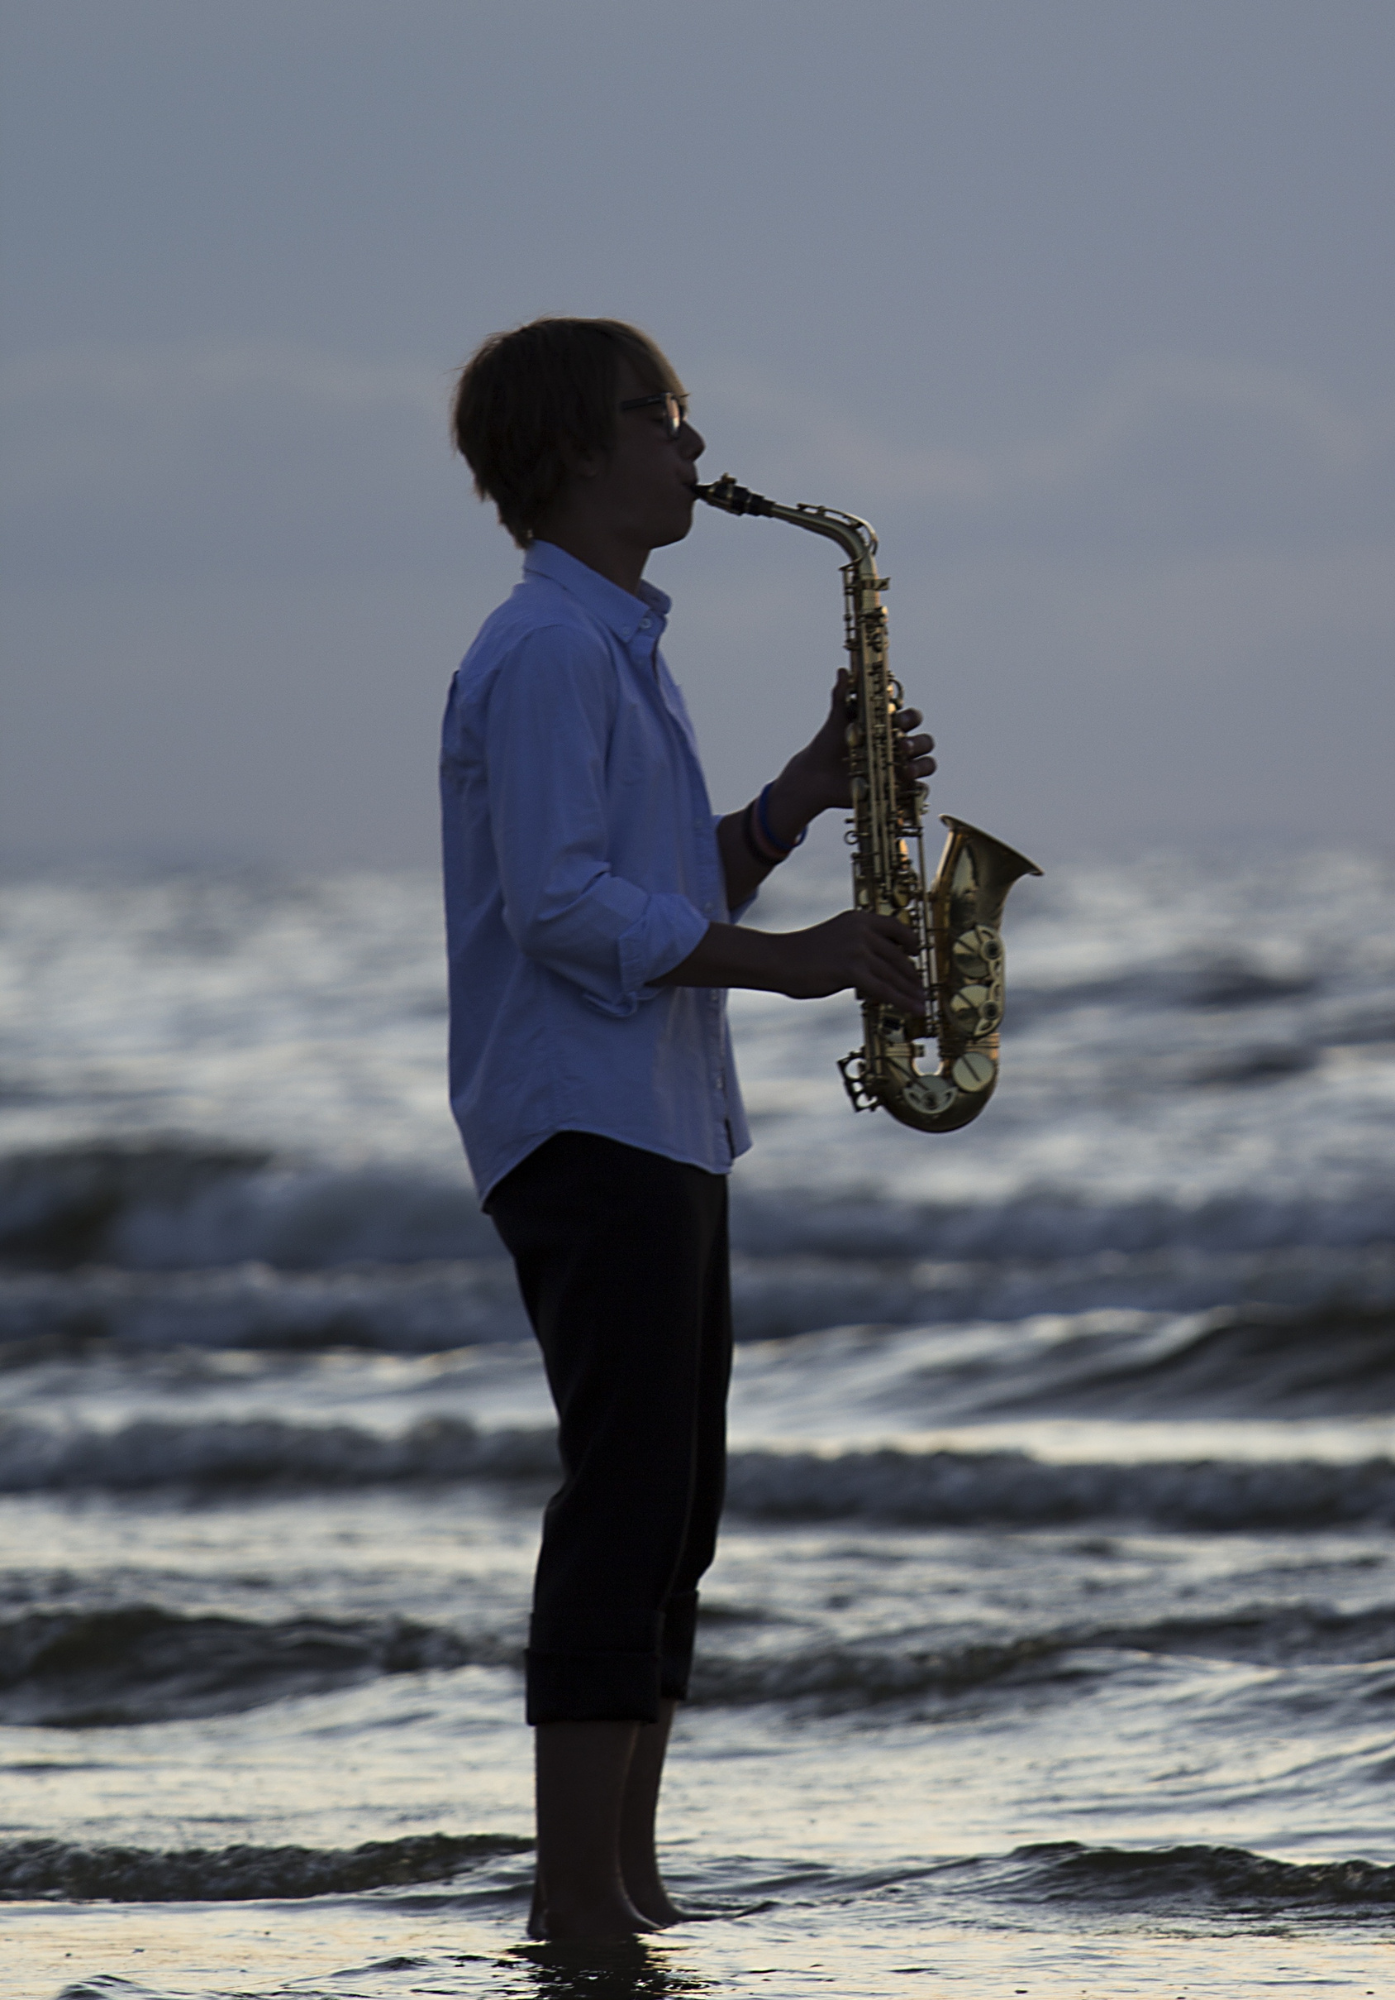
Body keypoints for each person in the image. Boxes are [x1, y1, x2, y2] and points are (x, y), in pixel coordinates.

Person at [442, 317, 929, 1940]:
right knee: (626, 1495)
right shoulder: (546, 656)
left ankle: (628, 1887)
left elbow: (661, 893)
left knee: (674, 1512)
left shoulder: (617, 653)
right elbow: (563, 907)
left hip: (655, 1114)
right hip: (584, 1121)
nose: (694, 454)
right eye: (664, 422)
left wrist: (799, 797)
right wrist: (791, 970)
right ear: (579, 449)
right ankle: (575, 1896)